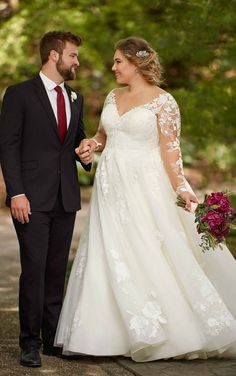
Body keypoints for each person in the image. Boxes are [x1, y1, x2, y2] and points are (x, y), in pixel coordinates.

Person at [55, 37, 236, 362]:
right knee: (109, 251)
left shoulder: (164, 102)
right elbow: (104, 136)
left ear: (136, 63)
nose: (113, 68)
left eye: (118, 62)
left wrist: (185, 194)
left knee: (148, 250)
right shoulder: (113, 96)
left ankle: (168, 333)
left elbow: (171, 155)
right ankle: (105, 336)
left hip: (145, 188)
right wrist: (90, 145)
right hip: (110, 189)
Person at [0, 31, 92, 367]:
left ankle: (53, 338)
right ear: (54, 56)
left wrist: (87, 155)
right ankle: (29, 343)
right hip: (31, 198)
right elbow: (8, 146)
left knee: (55, 271)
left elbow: (77, 142)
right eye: (73, 55)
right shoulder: (19, 94)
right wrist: (17, 193)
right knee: (34, 269)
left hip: (65, 196)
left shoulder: (75, 98)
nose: (76, 62)